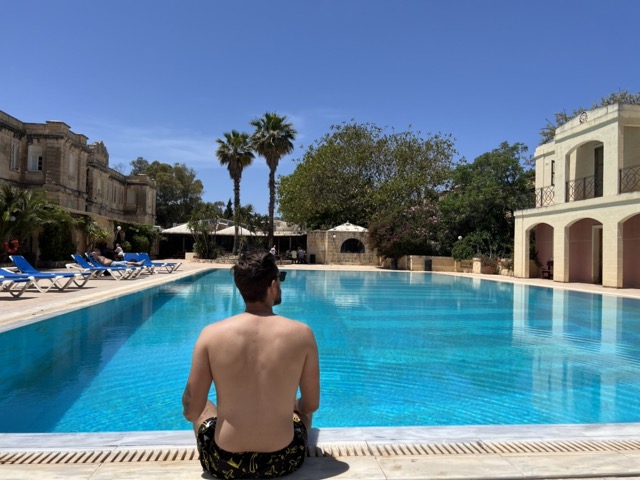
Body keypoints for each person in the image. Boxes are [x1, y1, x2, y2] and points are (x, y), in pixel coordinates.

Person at [182, 250, 320, 479]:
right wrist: (291, 404)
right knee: (300, 409)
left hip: (223, 462)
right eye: (280, 279)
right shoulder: (302, 334)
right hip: (284, 459)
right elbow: (311, 404)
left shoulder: (210, 335)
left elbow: (191, 412)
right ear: (273, 285)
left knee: (203, 404)